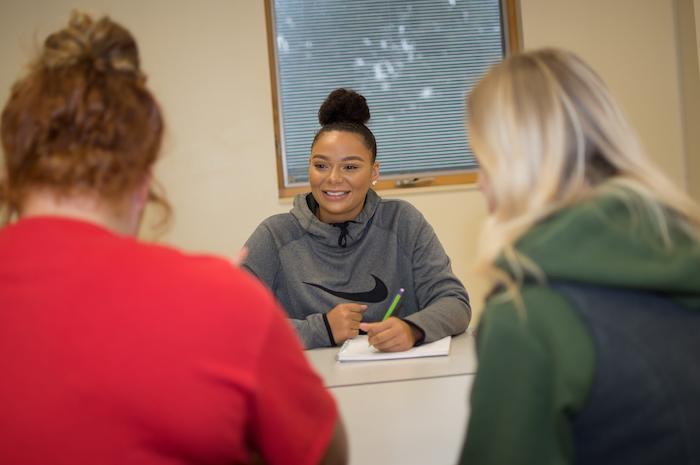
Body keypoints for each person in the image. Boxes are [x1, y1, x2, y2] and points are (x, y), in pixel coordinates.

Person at [0, 12, 346, 465]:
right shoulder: (221, 298)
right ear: (144, 181)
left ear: (13, 171)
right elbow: (325, 454)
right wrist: (220, 309)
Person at [459, 48, 700, 465]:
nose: (481, 184)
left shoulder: (526, 316)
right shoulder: (681, 251)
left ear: (519, 164)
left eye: (483, 164)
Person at [243, 88, 470, 350]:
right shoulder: (275, 234)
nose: (333, 179)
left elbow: (454, 302)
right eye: (321, 165)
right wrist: (321, 329)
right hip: (311, 384)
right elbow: (231, 321)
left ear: (374, 172)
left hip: (397, 382)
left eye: (350, 167)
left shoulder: (402, 221)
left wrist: (413, 329)